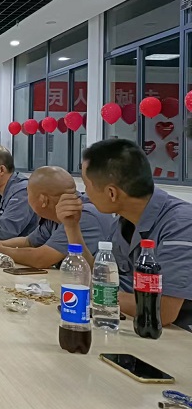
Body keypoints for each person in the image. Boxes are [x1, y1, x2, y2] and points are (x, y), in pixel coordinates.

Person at [64, 139, 192, 330]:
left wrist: (88, 294)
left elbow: (162, 310)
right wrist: (72, 227)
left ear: (111, 193)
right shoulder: (124, 221)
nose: (85, 194)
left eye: (86, 185)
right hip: (135, 327)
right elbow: (100, 277)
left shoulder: (180, 224)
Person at [0, 166, 115, 269]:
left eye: (28, 194)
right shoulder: (55, 213)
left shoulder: (81, 215)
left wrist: (0, 250)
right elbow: (29, 241)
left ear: (43, 200)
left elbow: (41, 259)